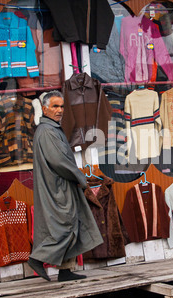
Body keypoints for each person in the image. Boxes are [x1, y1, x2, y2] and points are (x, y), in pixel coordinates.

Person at [28, 90, 103, 282]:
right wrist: (81, 178)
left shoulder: (51, 129)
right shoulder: (47, 131)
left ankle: (65, 270)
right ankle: (38, 258)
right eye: (55, 106)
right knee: (65, 226)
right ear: (44, 109)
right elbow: (59, 161)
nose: (60, 110)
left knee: (70, 224)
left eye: (62, 106)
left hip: (61, 184)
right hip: (58, 187)